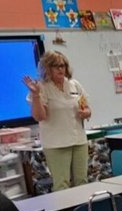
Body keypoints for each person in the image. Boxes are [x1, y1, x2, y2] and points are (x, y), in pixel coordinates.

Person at [23, 50, 92, 190]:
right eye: (56, 66)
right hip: (57, 144)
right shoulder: (42, 87)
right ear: (47, 68)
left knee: (82, 181)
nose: (61, 69)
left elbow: (88, 109)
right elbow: (40, 116)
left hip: (78, 140)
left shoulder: (74, 84)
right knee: (62, 184)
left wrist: (85, 112)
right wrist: (36, 95)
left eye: (63, 65)